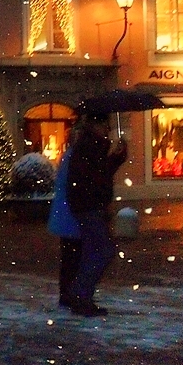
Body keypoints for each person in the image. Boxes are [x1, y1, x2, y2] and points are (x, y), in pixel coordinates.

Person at [65, 111, 127, 316]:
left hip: (89, 206)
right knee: (102, 251)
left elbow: (100, 173)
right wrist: (113, 156)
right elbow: (97, 177)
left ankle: (81, 296)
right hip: (90, 207)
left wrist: (117, 157)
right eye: (106, 127)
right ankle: (80, 294)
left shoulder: (89, 145)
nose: (108, 131)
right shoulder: (90, 146)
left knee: (93, 251)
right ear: (96, 126)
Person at [47, 144, 81, 309]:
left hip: (66, 215)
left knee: (69, 257)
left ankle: (68, 294)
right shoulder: (75, 157)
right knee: (73, 257)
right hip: (72, 215)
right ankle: (70, 294)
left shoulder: (69, 156)